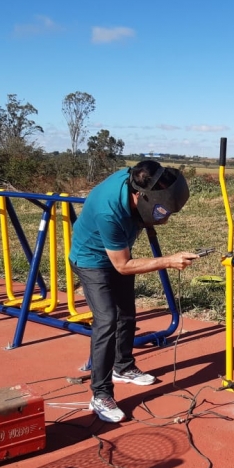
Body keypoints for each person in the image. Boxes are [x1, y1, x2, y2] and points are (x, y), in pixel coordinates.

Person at [69, 160, 198, 423]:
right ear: (139, 195)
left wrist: (159, 212)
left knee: (127, 314)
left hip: (118, 253)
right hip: (92, 261)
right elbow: (123, 265)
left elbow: (153, 216)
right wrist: (168, 260)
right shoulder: (109, 210)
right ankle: (100, 393)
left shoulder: (135, 178)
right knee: (107, 321)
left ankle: (123, 366)